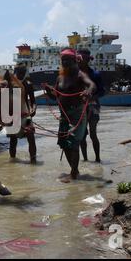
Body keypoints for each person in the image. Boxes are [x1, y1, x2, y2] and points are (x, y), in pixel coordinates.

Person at [45, 48, 96, 182]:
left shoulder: (80, 75)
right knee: (64, 143)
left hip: (77, 113)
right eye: (63, 60)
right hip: (64, 115)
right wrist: (49, 91)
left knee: (73, 142)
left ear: (75, 61)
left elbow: (91, 85)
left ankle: (73, 174)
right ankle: (75, 170)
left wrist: (88, 91)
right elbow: (55, 96)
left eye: (68, 60)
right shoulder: (60, 77)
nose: (65, 62)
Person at [78, 49, 105, 163]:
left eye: (84, 59)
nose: (81, 61)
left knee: (93, 134)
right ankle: (85, 160)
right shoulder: (74, 75)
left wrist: (92, 97)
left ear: (88, 60)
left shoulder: (95, 74)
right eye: (80, 59)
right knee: (82, 136)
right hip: (79, 108)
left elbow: (102, 91)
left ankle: (98, 159)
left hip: (93, 106)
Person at [9, 65, 37, 164]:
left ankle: (33, 160)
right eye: (19, 73)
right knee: (13, 140)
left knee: (31, 136)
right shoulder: (9, 85)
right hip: (13, 115)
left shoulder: (28, 84)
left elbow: (33, 101)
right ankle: (12, 161)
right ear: (14, 72)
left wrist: (33, 109)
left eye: (23, 73)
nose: (21, 76)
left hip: (26, 115)